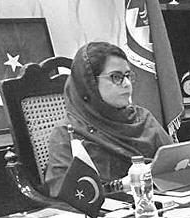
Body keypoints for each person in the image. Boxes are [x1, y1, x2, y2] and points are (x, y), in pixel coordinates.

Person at [45, 41, 173, 197]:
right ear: (89, 83)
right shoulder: (68, 133)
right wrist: (122, 185)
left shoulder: (142, 118)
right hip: (113, 209)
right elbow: (66, 193)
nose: (127, 84)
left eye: (128, 76)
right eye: (116, 77)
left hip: (163, 200)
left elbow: (176, 161)